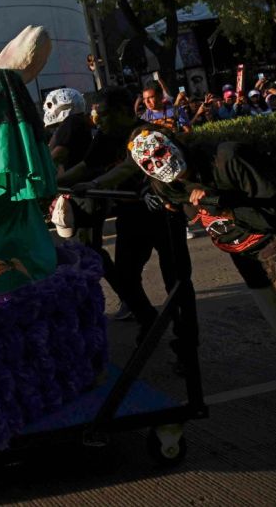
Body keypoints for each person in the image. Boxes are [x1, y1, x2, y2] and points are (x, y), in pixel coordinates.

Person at [130, 129, 276, 418]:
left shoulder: (228, 159)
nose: (160, 163)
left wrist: (222, 202)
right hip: (251, 264)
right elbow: (162, 190)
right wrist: (150, 196)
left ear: (174, 144)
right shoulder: (164, 184)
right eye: (150, 163)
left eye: (161, 153)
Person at [59, 87, 198, 361]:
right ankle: (148, 320)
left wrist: (96, 184)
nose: (101, 122)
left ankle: (187, 346)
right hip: (131, 216)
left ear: (125, 110)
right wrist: (52, 184)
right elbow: (86, 166)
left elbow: (128, 167)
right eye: (97, 117)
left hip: (164, 215)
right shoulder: (106, 137)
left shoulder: (147, 135)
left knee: (177, 281)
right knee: (124, 276)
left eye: (106, 115)